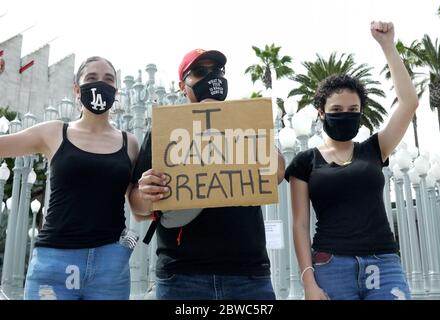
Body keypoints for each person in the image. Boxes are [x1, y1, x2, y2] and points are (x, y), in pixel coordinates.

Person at [129, 48, 285, 300]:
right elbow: (137, 207)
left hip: (248, 275)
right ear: (183, 85)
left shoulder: (245, 122)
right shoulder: (163, 130)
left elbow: (276, 173)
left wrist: (244, 125)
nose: (212, 78)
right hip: (181, 275)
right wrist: (147, 191)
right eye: (200, 72)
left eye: (217, 71)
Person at [285, 21, 417, 300]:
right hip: (330, 266)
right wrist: (308, 282)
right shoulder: (304, 162)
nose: (345, 114)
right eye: (336, 109)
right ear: (321, 112)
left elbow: (408, 103)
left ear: (361, 112)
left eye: (353, 109)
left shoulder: (375, 148)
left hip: (384, 264)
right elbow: (299, 224)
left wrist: (388, 46)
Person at [0, 56, 139, 300]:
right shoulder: (54, 132)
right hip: (54, 261)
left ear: (116, 91)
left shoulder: (130, 143)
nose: (100, 85)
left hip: (110, 265)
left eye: (108, 79)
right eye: (91, 78)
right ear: (77, 89)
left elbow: (138, 207)